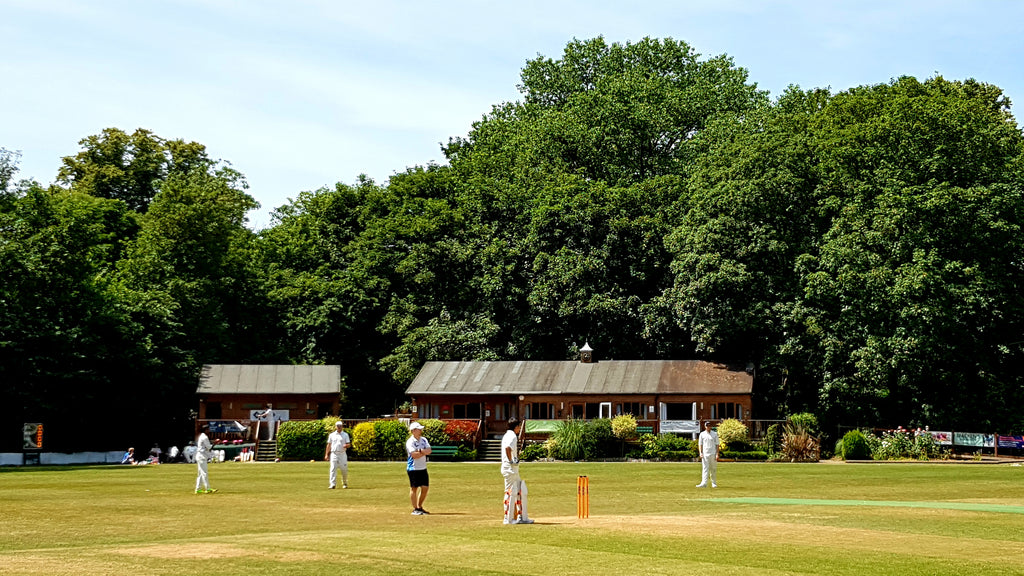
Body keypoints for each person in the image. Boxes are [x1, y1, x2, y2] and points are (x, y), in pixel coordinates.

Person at [501, 417, 534, 524]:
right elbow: (507, 448)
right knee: (511, 492)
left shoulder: (507, 435)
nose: (519, 429)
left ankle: (522, 517)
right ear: (516, 427)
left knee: (520, 490)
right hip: (510, 469)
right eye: (519, 427)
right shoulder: (512, 436)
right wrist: (511, 460)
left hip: (511, 469)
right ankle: (508, 519)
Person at [405, 421, 432, 515]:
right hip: (413, 468)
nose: (420, 430)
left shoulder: (423, 440)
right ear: (413, 431)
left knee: (425, 488)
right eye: (418, 429)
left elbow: (429, 451)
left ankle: (420, 506)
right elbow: (414, 455)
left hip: (423, 467)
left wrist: (420, 451)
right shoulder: (410, 442)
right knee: (414, 488)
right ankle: (415, 508)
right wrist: (423, 452)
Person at [324, 420, 351, 489]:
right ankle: (332, 484)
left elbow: (349, 444)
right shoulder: (332, 435)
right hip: (334, 454)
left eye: (340, 426)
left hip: (342, 454)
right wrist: (326, 454)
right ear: (335, 427)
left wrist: (346, 446)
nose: (339, 427)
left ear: (342, 427)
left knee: (344, 469)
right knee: (333, 469)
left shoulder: (345, 435)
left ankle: (344, 483)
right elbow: (329, 445)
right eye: (338, 426)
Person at [696, 420, 720, 488]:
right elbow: (700, 444)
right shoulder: (702, 434)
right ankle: (704, 483)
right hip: (705, 454)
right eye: (707, 426)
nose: (708, 427)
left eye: (709, 426)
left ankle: (714, 483)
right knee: (705, 468)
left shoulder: (714, 434)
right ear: (705, 426)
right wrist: (701, 453)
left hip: (713, 453)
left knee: (713, 468)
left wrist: (717, 454)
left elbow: (717, 444)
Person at [195, 425, 217, 494]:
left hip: (200, 456)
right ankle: (208, 488)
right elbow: (209, 448)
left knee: (200, 474)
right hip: (201, 456)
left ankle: (198, 489)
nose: (209, 430)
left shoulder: (202, 436)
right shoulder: (204, 437)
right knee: (204, 473)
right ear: (205, 430)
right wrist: (215, 443)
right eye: (208, 429)